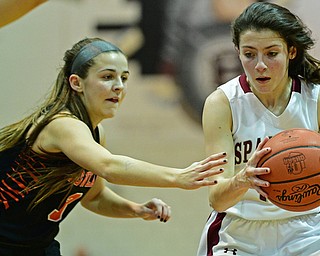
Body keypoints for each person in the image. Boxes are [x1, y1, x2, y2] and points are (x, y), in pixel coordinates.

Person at [0, 38, 227, 256]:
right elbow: (108, 166)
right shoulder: (62, 124)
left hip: (37, 246)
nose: (118, 87)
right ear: (76, 82)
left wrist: (136, 209)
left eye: (124, 78)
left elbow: (95, 198)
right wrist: (177, 177)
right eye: (108, 77)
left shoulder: (96, 135)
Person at [197, 2, 320, 256]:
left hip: (309, 229)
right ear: (237, 52)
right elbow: (217, 199)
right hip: (241, 230)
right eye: (249, 54)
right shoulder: (222, 103)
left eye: (271, 53)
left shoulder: (315, 98)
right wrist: (243, 179)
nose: (260, 65)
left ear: (291, 51)